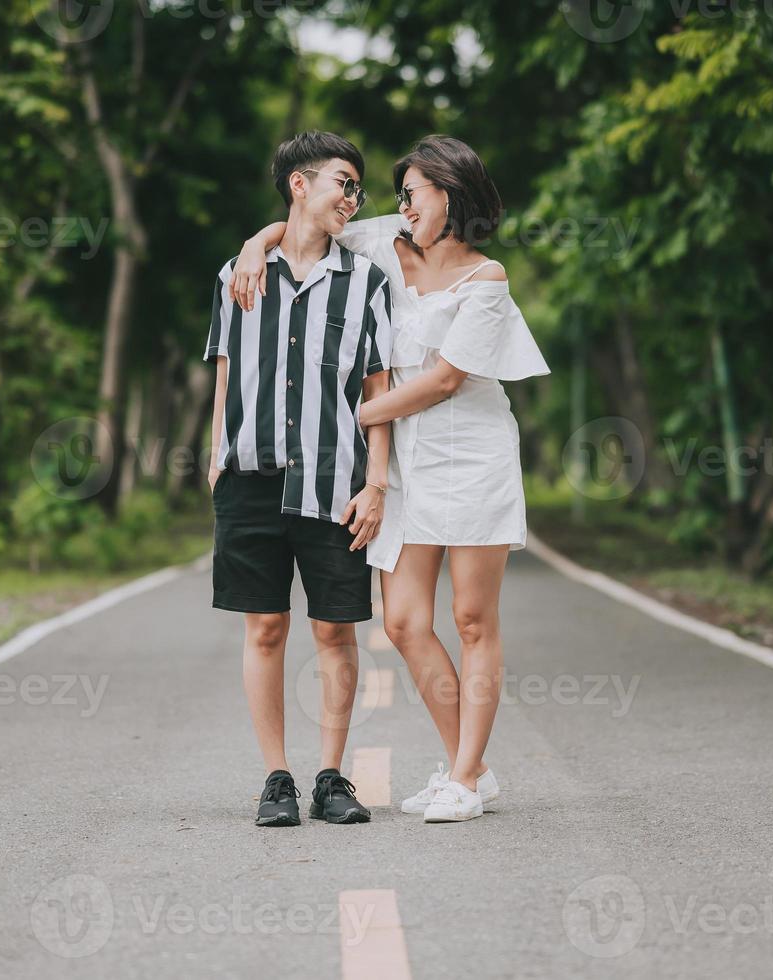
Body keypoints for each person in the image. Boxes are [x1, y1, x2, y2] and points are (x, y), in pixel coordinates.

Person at [230, 135, 549, 823]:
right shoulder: (381, 243)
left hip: (469, 453)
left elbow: (442, 381)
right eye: (396, 195)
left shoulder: (486, 278)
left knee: (470, 619)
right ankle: (476, 771)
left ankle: (462, 774)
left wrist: (344, 412)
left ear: (449, 193)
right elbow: (307, 221)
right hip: (402, 462)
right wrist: (257, 244)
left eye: (412, 194)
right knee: (404, 623)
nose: (399, 206)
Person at [204, 131, 394, 827]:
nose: (351, 197)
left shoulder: (366, 281)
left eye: (357, 187)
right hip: (249, 476)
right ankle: (275, 777)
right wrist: (215, 452)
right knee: (264, 629)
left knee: (335, 633)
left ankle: (331, 776)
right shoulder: (239, 274)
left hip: (334, 482)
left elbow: (376, 392)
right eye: (342, 182)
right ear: (298, 185)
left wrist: (376, 484)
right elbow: (225, 369)